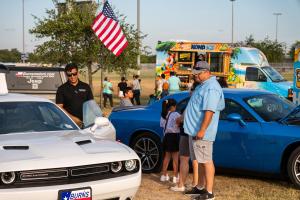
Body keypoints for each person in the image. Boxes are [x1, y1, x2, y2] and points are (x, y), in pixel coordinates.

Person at [183, 63, 225, 200]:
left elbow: (209, 111)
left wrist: (202, 130)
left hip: (202, 133)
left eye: (198, 73)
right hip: (193, 131)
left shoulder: (212, 88)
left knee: (206, 161)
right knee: (199, 160)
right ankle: (200, 187)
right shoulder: (203, 85)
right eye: (195, 73)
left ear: (206, 71)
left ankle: (209, 192)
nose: (195, 76)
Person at [56, 63, 93, 127]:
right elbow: (59, 108)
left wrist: (99, 115)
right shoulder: (61, 89)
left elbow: (91, 104)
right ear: (66, 74)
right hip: (68, 124)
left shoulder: (86, 86)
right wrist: (73, 119)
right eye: (69, 75)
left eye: (74, 74)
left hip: (85, 123)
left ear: (77, 73)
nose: (72, 76)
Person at [160, 99, 180, 184]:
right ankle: (175, 176)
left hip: (166, 137)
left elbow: (161, 125)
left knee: (167, 157)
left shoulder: (163, 115)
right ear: (173, 106)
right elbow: (180, 123)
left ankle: (164, 175)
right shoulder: (176, 114)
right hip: (174, 136)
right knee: (175, 157)